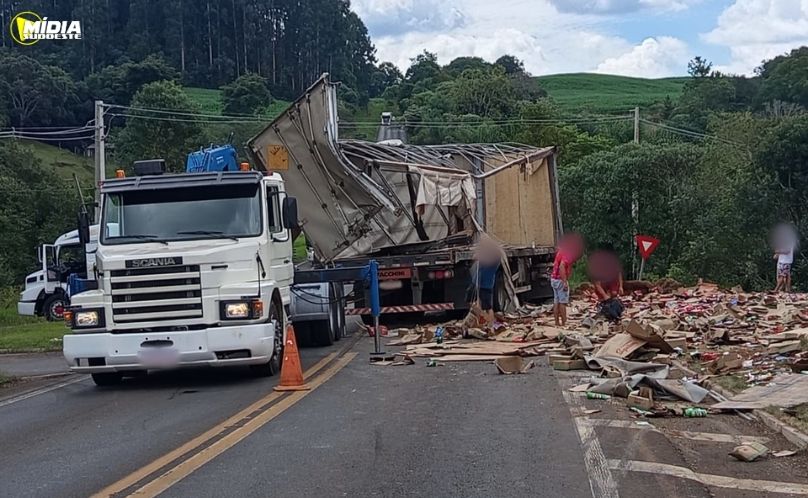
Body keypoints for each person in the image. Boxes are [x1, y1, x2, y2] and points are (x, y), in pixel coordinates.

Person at [551, 234, 582, 326]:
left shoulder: (562, 251)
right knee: (563, 302)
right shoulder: (569, 255)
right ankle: (564, 323)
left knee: (556, 301)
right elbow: (561, 266)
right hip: (560, 280)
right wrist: (565, 282)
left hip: (554, 279)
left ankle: (557, 322)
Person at [472, 234, 503, 325]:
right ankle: (483, 322)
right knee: (480, 305)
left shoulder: (493, 258)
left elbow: (477, 256)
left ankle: (491, 324)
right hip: (481, 283)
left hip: (486, 285)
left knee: (488, 307)